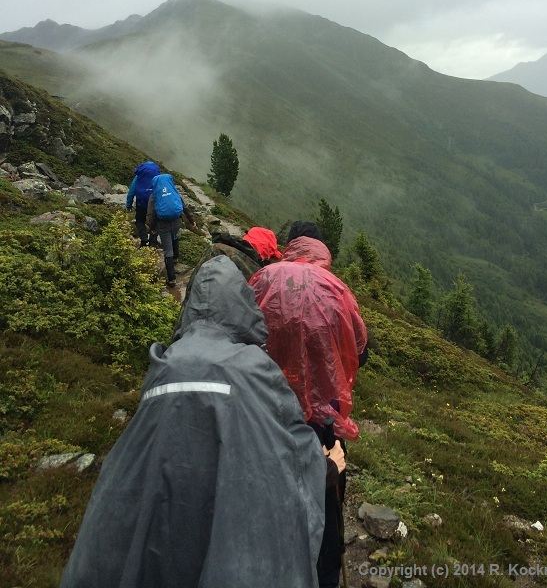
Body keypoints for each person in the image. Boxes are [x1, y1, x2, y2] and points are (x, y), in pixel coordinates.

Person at [60, 256, 327, 588]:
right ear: (242, 306)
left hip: (160, 509)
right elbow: (288, 440)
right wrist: (323, 460)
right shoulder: (253, 366)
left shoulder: (165, 364)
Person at [250, 230, 368, 588]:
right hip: (324, 415)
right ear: (322, 255)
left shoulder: (263, 278)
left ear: (290, 250)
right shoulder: (337, 288)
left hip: (266, 408)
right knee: (326, 497)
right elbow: (360, 349)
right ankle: (322, 570)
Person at [146, 173, 196, 287]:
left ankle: (172, 279)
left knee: (167, 250)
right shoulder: (174, 191)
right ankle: (175, 259)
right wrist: (192, 220)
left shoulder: (154, 196)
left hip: (163, 225)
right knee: (175, 236)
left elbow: (151, 214)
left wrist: (153, 228)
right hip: (177, 221)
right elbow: (185, 206)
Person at [125, 160, 161, 247]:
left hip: (141, 201)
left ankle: (144, 238)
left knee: (140, 220)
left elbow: (131, 191)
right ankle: (153, 242)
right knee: (155, 221)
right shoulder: (158, 177)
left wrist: (128, 205)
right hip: (154, 202)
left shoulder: (139, 177)